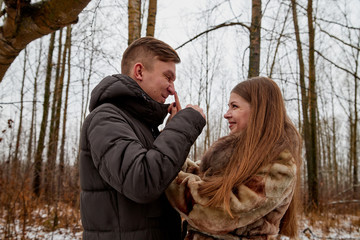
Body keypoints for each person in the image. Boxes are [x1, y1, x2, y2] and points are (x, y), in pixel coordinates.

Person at [79, 36, 206, 240]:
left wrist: (169, 131)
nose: (172, 88)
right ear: (139, 71)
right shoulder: (105, 118)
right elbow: (142, 181)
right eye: (168, 77)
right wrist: (184, 125)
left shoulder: (142, 125)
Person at [166, 77, 302, 240]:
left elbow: (218, 213)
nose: (226, 114)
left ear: (259, 111)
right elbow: (199, 175)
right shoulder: (236, 154)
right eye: (228, 106)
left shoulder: (279, 165)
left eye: (234, 106)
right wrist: (172, 137)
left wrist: (164, 173)